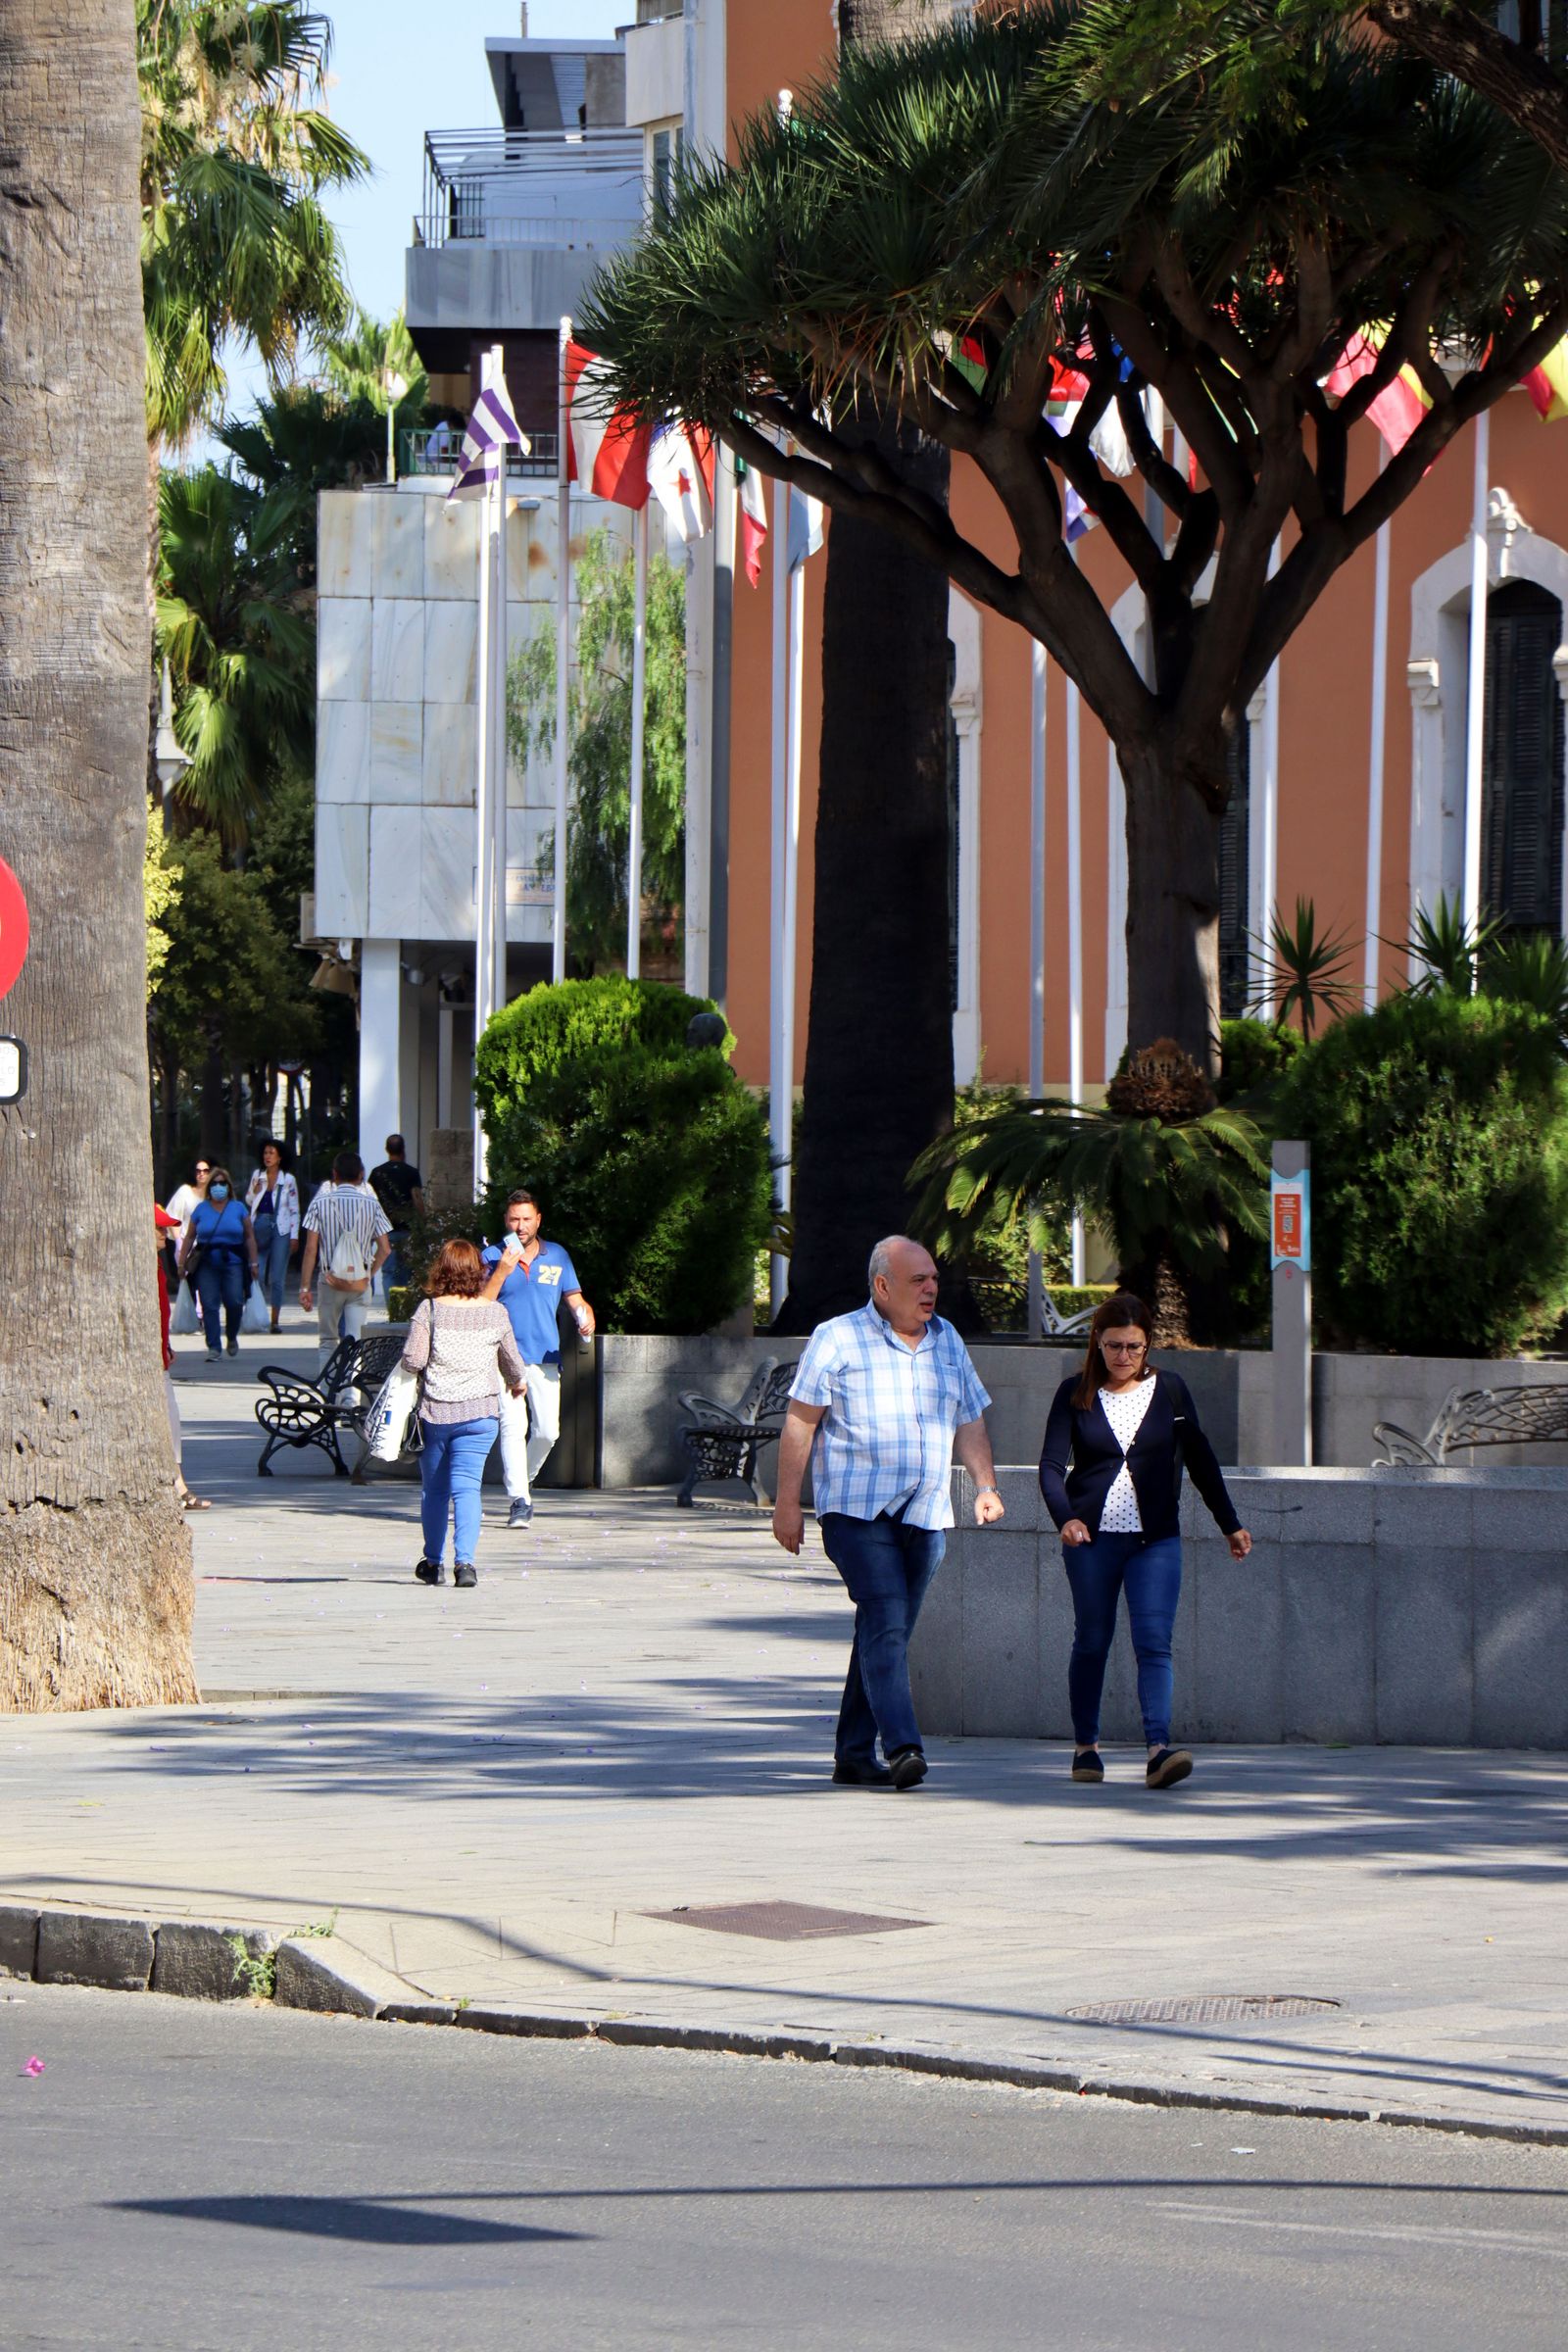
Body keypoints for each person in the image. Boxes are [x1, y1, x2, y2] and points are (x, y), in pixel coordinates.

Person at [771, 1235, 1005, 1790]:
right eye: (918, 1280)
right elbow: (801, 1422)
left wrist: (985, 1484)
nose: (931, 1289)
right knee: (886, 1617)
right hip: (856, 1511)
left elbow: (969, 1418)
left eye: (933, 1279)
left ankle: (853, 1755)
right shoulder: (837, 1337)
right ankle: (902, 1746)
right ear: (882, 1286)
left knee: (885, 1630)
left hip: (925, 1512)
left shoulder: (948, 1340)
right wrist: (787, 1504)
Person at [1038, 1290, 1251, 1791]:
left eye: (1134, 1347)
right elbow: (1050, 1466)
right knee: (1092, 1640)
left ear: (1148, 1345)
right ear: (1097, 1342)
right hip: (1091, 1541)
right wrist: (1065, 1518)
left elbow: (1201, 1460)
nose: (1124, 1356)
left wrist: (1229, 1523)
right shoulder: (1074, 1393)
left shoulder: (1170, 1390)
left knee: (1154, 1642)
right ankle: (1086, 1747)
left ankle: (1159, 1751)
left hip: (1154, 1541)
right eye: (1114, 1345)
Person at [399, 1239, 524, 1588]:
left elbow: (413, 1360)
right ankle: (465, 1564)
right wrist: (517, 1382)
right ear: (477, 1271)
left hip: (435, 1415)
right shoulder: (495, 1312)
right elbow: (512, 1362)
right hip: (480, 1416)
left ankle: (433, 1562)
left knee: (435, 1491)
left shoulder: (429, 1310)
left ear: (441, 1270)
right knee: (468, 1489)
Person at [481, 1188, 595, 1528]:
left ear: (538, 1220)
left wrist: (585, 1316)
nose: (520, 1226)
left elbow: (575, 1299)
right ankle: (519, 1499)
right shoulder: (491, 1255)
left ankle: (523, 1482)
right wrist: (501, 1271)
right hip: (503, 1358)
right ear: (506, 1220)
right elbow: (480, 1305)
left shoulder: (557, 1255)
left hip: (545, 1356)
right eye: (514, 1219)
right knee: (513, 1427)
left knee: (547, 1432)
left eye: (526, 1219)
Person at [298, 1151, 392, 1366]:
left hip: (330, 1279)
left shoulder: (320, 1203)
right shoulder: (371, 1204)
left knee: (327, 1340)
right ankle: (351, 1387)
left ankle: (327, 1385)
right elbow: (385, 1249)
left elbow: (311, 1248)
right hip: (359, 1283)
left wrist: (305, 1287)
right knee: (356, 1340)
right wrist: (368, 1275)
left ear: (334, 1174)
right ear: (360, 1175)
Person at [177, 1165, 259, 1363]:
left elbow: (249, 1237)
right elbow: (189, 1237)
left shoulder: (238, 1208)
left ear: (228, 1186)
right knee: (209, 1304)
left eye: (222, 1183)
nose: (218, 1187)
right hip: (207, 1263)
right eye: (214, 1183)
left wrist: (254, 1262)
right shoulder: (201, 1209)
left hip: (234, 1261)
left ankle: (231, 1335)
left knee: (235, 1301)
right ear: (209, 1187)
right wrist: (181, 1263)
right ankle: (214, 1346)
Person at [155, 1205, 207, 1508]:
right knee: (170, 1418)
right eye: (159, 1228)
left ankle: (177, 1482)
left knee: (171, 1418)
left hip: (161, 1354)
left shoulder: (157, 1265)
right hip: (153, 1359)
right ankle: (177, 1483)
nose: (165, 1233)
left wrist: (167, 1345)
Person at [245, 1140, 300, 1334]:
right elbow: (249, 1200)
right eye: (265, 1153)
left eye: (271, 1153)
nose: (267, 1156)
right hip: (260, 1223)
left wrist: (294, 1235)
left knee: (277, 1277)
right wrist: (255, 1192)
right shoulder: (257, 1176)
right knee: (257, 1271)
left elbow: (294, 1209)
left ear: (279, 1157)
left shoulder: (288, 1179)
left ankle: (275, 1320)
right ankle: (259, 1314)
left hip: (281, 1227)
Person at [368, 1133, 424, 1299]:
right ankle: (405, 1307)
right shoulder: (411, 1172)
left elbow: (371, 1201)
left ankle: (393, 1307)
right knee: (407, 1271)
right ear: (403, 1150)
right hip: (408, 1229)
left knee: (389, 1271)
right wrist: (423, 1223)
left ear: (387, 1149)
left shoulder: (377, 1173)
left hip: (385, 1230)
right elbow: (417, 1199)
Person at [163, 1157, 210, 1315]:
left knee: (204, 1280)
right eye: (198, 1170)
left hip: (205, 1245)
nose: (201, 1174)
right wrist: (179, 1243)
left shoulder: (212, 1196)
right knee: (190, 1281)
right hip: (186, 1245)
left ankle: (201, 1313)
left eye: (205, 1171)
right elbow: (173, 1217)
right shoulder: (185, 1191)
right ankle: (194, 1314)